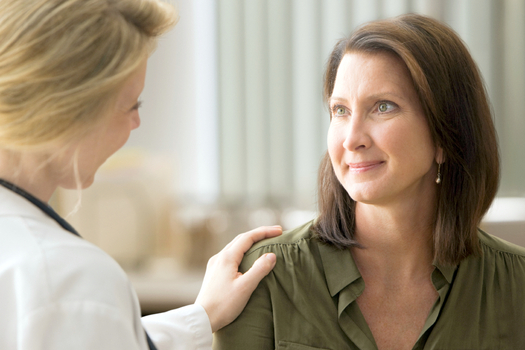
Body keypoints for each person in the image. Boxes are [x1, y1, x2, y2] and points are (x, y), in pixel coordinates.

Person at [214, 13, 525, 350]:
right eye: (340, 110)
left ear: (445, 136)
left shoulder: (516, 285)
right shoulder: (265, 277)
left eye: (383, 107)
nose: (352, 139)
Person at [0, 0, 282, 349]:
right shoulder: (66, 277)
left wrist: (202, 316)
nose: (136, 123)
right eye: (133, 104)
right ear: (70, 107)